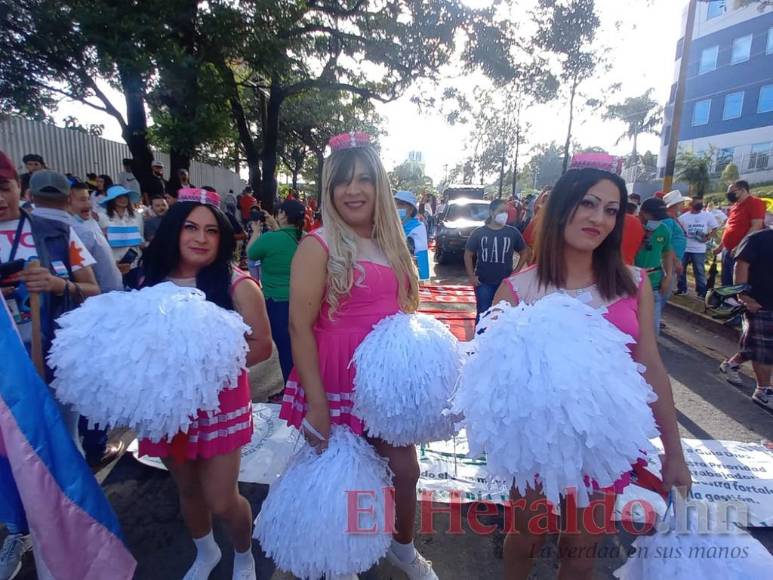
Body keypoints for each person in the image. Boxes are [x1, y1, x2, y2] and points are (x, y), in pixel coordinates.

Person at [493, 168, 690, 580]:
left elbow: (651, 366)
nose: (599, 218)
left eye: (611, 210)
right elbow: (494, 383)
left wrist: (674, 450)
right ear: (563, 207)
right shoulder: (518, 289)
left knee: (580, 554)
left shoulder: (634, 284)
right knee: (524, 540)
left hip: (604, 449)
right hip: (537, 449)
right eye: (588, 203)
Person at [279, 132, 438, 579]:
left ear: (379, 185)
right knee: (342, 478)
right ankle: (343, 558)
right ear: (329, 190)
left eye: (364, 179)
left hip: (383, 383)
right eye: (342, 181)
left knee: (405, 470)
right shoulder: (319, 243)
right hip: (334, 374)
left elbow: (405, 311)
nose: (353, 190)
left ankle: (401, 549)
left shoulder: (393, 241)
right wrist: (317, 403)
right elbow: (299, 326)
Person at [136, 187, 271, 580]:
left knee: (222, 498)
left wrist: (198, 367)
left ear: (222, 238)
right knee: (188, 490)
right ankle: (206, 552)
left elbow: (262, 346)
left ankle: (244, 555)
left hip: (219, 404)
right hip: (165, 406)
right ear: (174, 230)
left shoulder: (237, 284)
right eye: (191, 227)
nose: (200, 238)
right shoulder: (151, 278)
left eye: (211, 231)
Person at [0, 152, 102, 577]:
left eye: (2, 188)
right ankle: (16, 531)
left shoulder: (55, 232)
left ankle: (74, 537)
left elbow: (94, 288)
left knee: (61, 446)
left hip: (51, 363)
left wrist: (58, 283)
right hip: (5, 374)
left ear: (18, 189)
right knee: (8, 458)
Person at [247, 199, 305, 383]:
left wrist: (256, 231)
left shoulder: (270, 239)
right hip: (304, 301)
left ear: (283, 215)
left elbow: (251, 253)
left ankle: (291, 390)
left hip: (278, 304)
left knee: (286, 349)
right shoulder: (305, 237)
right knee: (302, 346)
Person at [464, 198, 528, 323]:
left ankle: (498, 340)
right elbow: (468, 254)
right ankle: (480, 340)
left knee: (503, 315)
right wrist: (472, 276)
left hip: (505, 283)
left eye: (506, 211)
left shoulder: (512, 233)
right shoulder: (479, 233)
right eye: (501, 211)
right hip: (483, 282)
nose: (505, 214)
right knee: (483, 313)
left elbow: (524, 252)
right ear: (492, 213)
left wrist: (516, 272)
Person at [732, 228, 773, 409]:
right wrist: (743, 296)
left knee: (756, 345)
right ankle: (763, 390)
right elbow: (741, 264)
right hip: (761, 303)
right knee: (764, 351)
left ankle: (731, 364)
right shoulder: (758, 238)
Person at [714, 180, 766, 286]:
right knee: (726, 279)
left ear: (742, 190)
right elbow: (729, 227)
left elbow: (756, 226)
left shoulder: (755, 203)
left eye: (732, 191)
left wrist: (740, 246)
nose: (729, 195)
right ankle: (726, 300)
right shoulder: (734, 206)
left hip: (741, 251)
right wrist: (720, 246)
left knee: (737, 281)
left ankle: (736, 301)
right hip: (727, 249)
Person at [636, 197, 674, 336]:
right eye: (654, 217)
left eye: (660, 218)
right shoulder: (630, 228)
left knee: (651, 333)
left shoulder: (663, 230)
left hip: (653, 286)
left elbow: (667, 252)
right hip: (628, 285)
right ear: (642, 213)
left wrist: (668, 275)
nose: (657, 221)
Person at [98, 184, 144, 275]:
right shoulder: (101, 217)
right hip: (113, 265)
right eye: (119, 197)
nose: (123, 199)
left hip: (134, 264)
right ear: (112, 200)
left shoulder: (137, 216)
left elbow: (141, 237)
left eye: (125, 196)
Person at [677, 198, 718, 298]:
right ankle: (682, 289)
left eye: (700, 202)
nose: (699, 204)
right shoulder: (683, 217)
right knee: (680, 269)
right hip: (685, 248)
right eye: (696, 202)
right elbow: (678, 229)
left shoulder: (707, 215)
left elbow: (715, 228)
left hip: (699, 249)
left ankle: (701, 292)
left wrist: (707, 237)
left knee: (699, 270)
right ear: (690, 204)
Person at [394, 190, 430, 281]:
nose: (397, 207)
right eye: (395, 204)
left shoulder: (418, 227)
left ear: (411, 209)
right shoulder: (390, 224)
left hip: (407, 275)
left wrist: (423, 280)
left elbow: (421, 254)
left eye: (401, 204)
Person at [662, 190, 689, 297]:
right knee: (664, 292)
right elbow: (666, 242)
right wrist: (676, 261)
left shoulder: (672, 219)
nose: (683, 205)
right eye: (682, 203)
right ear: (675, 205)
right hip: (669, 261)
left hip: (672, 259)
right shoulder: (668, 220)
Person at [620, 201, 645, 266]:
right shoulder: (638, 223)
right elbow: (638, 249)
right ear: (634, 211)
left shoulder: (615, 219)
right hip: (627, 267)